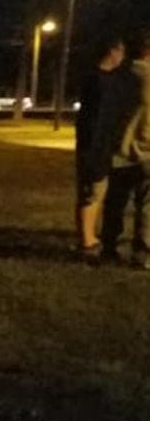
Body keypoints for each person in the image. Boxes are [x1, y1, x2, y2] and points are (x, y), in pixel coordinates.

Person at [73, 32, 127, 262]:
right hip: (95, 148)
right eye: (121, 51)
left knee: (93, 193)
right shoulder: (100, 82)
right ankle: (87, 241)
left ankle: (89, 238)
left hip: (96, 147)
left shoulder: (97, 79)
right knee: (92, 193)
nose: (123, 56)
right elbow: (96, 121)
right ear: (113, 52)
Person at [102, 31, 150, 268]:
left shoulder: (119, 75)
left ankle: (110, 246)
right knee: (147, 205)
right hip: (146, 150)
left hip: (120, 149)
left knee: (115, 202)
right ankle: (143, 253)